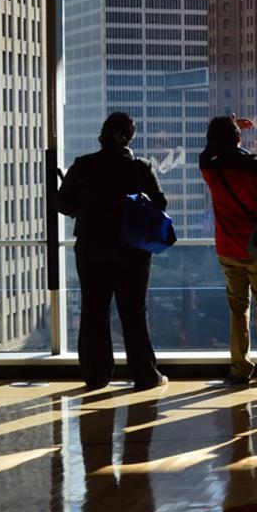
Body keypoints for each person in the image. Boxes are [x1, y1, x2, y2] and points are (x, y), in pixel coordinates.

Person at [56, 112, 168, 391]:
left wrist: (87, 208)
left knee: (94, 309)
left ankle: (96, 375)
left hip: (92, 247)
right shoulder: (141, 168)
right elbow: (160, 204)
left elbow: (62, 204)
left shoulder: (83, 166)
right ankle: (144, 374)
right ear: (129, 137)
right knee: (133, 312)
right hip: (132, 250)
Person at [200, 116, 257, 386]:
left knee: (238, 308)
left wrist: (228, 123)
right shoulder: (255, 169)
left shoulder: (209, 168)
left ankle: (239, 368)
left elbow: (207, 150)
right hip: (256, 248)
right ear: (239, 139)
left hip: (227, 248)